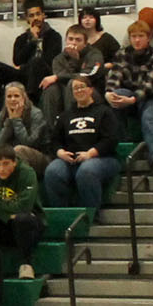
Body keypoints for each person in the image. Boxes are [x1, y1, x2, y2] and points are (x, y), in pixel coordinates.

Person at [45, 76, 123, 209]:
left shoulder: (104, 112)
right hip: (70, 160)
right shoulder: (66, 115)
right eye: (75, 88)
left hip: (102, 158)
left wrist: (90, 154)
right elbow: (55, 140)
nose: (79, 90)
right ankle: (64, 215)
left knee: (86, 171)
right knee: (52, 171)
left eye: (82, 87)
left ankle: (91, 214)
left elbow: (111, 139)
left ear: (90, 90)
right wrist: (60, 152)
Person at [104, 20, 153, 171]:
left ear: (149, 38)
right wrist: (109, 93)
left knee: (148, 116)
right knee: (115, 96)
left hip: (152, 97)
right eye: (133, 36)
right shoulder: (122, 54)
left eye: (141, 36)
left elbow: (151, 84)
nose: (137, 40)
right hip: (129, 97)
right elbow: (115, 76)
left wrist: (133, 100)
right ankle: (121, 153)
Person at [0, 144, 43, 279]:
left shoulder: (27, 173)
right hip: (4, 223)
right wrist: (6, 214)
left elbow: (25, 205)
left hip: (30, 224)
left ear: (14, 162)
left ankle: (26, 264)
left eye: (6, 164)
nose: (1, 169)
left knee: (22, 219)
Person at [40, 24, 107, 124]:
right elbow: (61, 79)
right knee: (51, 89)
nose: (73, 43)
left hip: (92, 91)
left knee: (74, 84)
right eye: (70, 39)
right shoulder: (58, 59)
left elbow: (89, 74)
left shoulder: (94, 54)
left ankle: (73, 124)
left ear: (85, 42)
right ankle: (51, 133)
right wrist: (72, 60)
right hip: (64, 93)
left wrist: (76, 61)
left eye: (78, 40)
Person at [4, 0, 64, 99]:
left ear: (43, 15)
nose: (35, 18)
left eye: (38, 14)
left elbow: (51, 60)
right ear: (27, 19)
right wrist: (33, 41)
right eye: (31, 15)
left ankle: (31, 98)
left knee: (36, 61)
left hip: (44, 73)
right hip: (25, 73)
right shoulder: (22, 38)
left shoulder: (54, 36)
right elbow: (17, 61)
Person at [0, 82, 52, 175]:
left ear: (24, 97)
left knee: (19, 150)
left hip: (41, 157)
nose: (13, 99)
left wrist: (16, 120)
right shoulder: (2, 115)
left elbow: (30, 143)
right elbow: (0, 144)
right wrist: (10, 122)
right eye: (9, 96)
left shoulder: (36, 114)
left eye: (16, 96)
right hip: (13, 157)